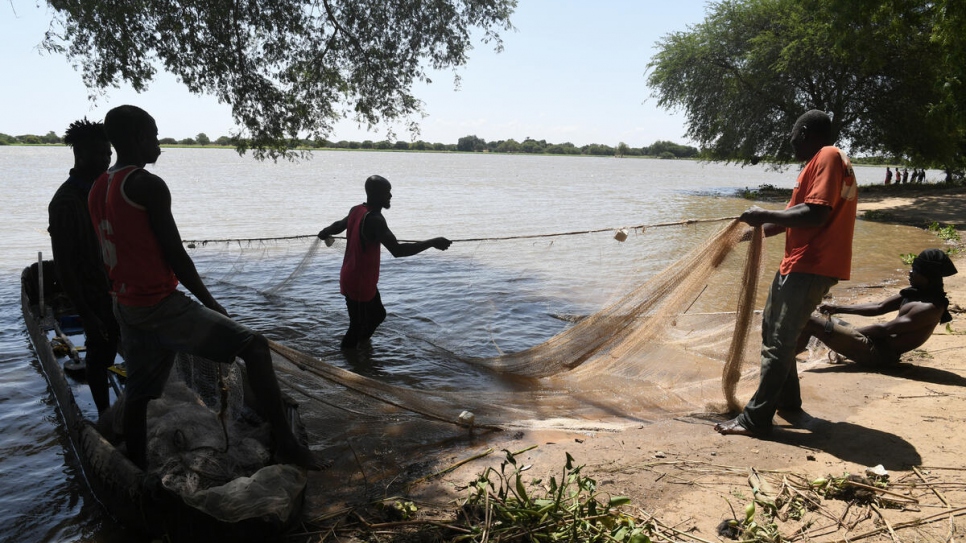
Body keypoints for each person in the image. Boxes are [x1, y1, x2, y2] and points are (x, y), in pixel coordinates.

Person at [88, 105, 320, 470]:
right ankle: (287, 443)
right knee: (255, 347)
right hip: (161, 306)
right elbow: (177, 254)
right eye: (154, 136)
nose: (159, 144)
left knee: (138, 393)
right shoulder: (147, 185)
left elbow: (107, 251)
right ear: (136, 139)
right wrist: (210, 304)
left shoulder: (99, 186)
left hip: (127, 305)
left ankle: (136, 470)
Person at [715, 109, 858, 437]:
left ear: (805, 132)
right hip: (799, 263)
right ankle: (788, 403)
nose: (791, 141)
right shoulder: (821, 162)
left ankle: (755, 418)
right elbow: (798, 214)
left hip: (812, 264)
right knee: (774, 334)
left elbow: (816, 213)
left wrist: (763, 211)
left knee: (778, 342)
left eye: (793, 135)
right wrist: (755, 230)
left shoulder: (828, 156)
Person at [318, 175, 452, 350]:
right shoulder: (375, 220)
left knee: (378, 315)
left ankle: (361, 349)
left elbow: (338, 225)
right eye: (386, 193)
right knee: (356, 325)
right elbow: (398, 251)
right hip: (359, 280)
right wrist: (432, 242)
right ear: (374, 194)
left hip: (355, 276)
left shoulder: (356, 210)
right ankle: (347, 362)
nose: (390, 196)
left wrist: (325, 231)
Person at [47, 118, 118, 414]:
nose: (105, 159)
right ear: (80, 155)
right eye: (99, 154)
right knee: (99, 356)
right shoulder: (65, 202)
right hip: (92, 293)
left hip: (117, 288)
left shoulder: (106, 189)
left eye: (108, 153)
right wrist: (86, 314)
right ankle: (104, 414)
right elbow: (64, 266)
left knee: (115, 348)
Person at [797, 249, 957, 368]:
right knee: (824, 321)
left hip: (878, 354)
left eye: (915, 271)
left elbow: (884, 329)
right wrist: (837, 308)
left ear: (927, 277)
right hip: (874, 342)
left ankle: (784, 358)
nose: (910, 273)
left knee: (811, 322)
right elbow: (878, 307)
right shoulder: (917, 293)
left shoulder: (929, 308)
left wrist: (847, 333)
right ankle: (798, 352)